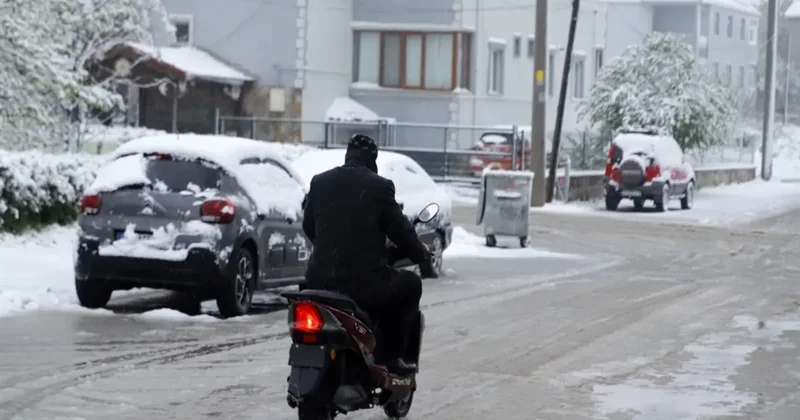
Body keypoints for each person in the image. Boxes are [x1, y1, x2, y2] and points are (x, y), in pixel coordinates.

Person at [302, 134, 438, 375]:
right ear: (373, 159)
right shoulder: (379, 187)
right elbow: (402, 233)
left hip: (319, 281)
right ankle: (391, 358)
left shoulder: (320, 182)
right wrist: (421, 255)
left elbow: (308, 227)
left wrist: (332, 248)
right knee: (410, 285)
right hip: (362, 285)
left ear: (347, 155)